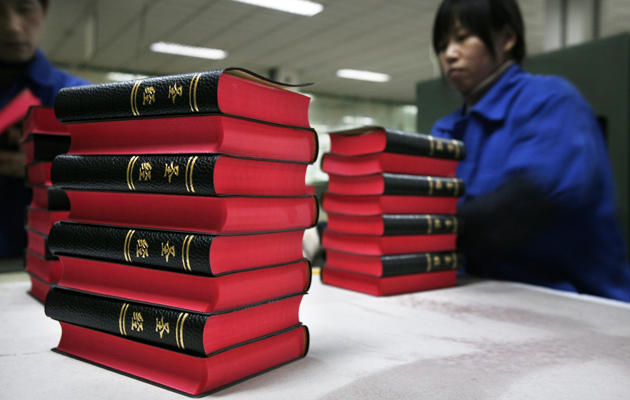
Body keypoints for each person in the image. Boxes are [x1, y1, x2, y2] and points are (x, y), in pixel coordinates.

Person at [429, 0, 630, 301]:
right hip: (486, 300)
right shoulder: (446, 130)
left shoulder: (552, 102)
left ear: (507, 38)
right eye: (442, 45)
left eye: (462, 38)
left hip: (578, 306)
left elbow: (520, 208)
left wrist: (423, 232)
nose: (449, 54)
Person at [0, 0, 89, 259]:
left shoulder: (83, 100)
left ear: (44, 10)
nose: (12, 27)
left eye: (24, 9)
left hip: (54, 264)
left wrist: (46, 171)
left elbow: (118, 189)